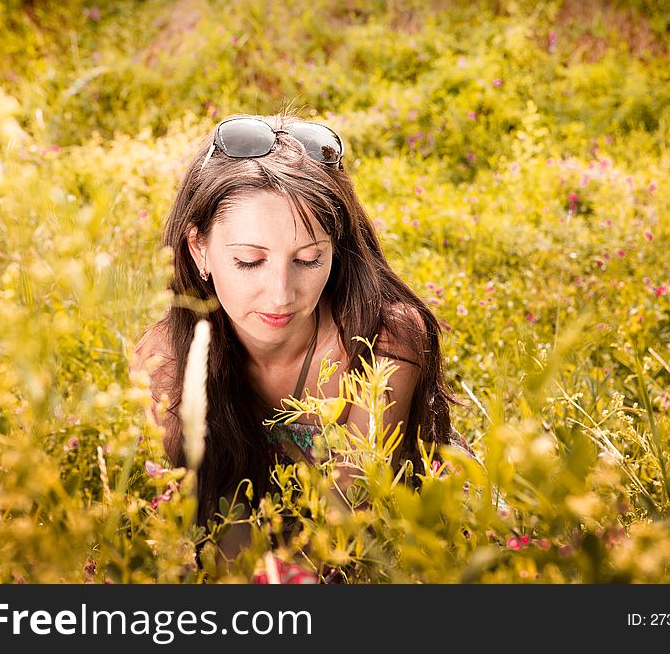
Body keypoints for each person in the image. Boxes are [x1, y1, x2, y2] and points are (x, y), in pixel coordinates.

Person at [130, 112, 471, 558]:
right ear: (199, 250)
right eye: (250, 261)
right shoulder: (167, 361)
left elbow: (350, 526)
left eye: (309, 259)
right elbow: (203, 531)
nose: (281, 295)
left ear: (337, 249)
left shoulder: (383, 342)